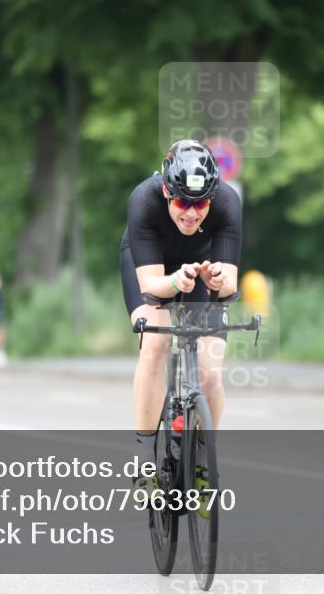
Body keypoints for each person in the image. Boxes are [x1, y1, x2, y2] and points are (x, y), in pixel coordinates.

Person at [120, 140, 241, 485]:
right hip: (151, 267)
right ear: (165, 190)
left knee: (210, 373)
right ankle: (145, 462)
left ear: (213, 196)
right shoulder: (143, 200)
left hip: (201, 266)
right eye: (182, 202)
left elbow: (230, 284)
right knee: (155, 343)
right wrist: (175, 282)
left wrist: (219, 279)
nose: (191, 212)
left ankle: (204, 461)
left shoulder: (228, 202)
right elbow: (150, 287)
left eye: (200, 203)